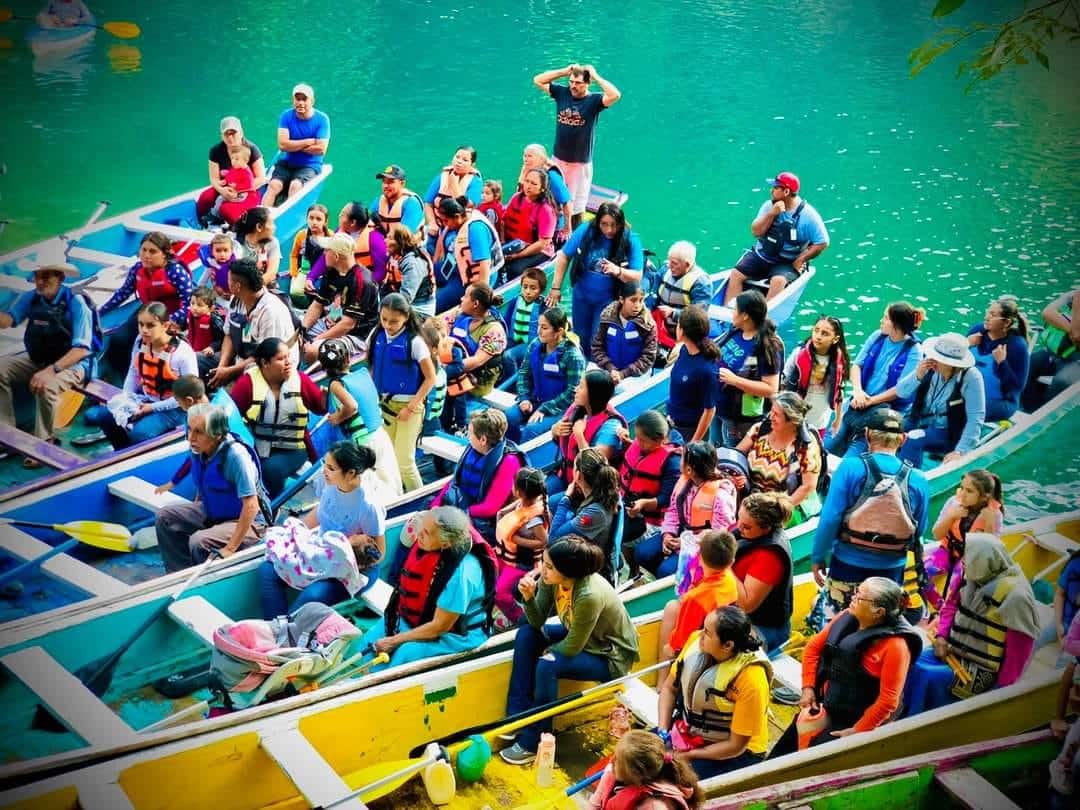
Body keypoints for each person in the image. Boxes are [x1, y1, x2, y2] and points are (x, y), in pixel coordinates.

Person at [501, 537, 639, 764]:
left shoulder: (588, 595)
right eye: (543, 563)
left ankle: (534, 740)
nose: (542, 570)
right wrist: (528, 598)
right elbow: (536, 622)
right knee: (526, 635)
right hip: (582, 637)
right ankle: (518, 715)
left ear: (568, 572)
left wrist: (547, 653)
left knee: (547, 665)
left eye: (549, 567)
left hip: (608, 654)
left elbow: (572, 647)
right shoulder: (551, 579)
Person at [779, 578, 921, 751]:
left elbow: (888, 700)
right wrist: (808, 687)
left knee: (816, 759)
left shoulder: (896, 647)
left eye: (860, 597)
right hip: (826, 702)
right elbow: (812, 648)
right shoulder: (846, 616)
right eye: (856, 592)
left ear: (879, 611)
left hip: (854, 720)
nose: (853, 598)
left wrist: (857, 731)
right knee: (784, 749)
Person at [811, 408, 929, 615]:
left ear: (866, 435)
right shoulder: (918, 479)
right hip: (890, 571)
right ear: (902, 439)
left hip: (848, 564)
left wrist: (819, 556)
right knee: (879, 623)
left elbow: (829, 519)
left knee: (840, 621)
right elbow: (919, 530)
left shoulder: (850, 468)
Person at [908, 534, 1039, 709]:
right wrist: (941, 637)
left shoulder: (1017, 597)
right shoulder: (971, 576)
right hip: (949, 649)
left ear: (983, 562)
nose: (963, 562)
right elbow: (950, 607)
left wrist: (1003, 687)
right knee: (910, 663)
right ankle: (907, 710)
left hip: (981, 667)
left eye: (968, 559)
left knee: (928, 676)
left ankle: (918, 715)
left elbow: (1020, 647)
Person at [259, 441, 385, 619]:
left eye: (331, 468)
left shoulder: (368, 505)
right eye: (324, 464)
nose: (325, 470)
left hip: (354, 568)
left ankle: (287, 632)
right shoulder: (330, 485)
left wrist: (349, 549)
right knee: (268, 570)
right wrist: (295, 532)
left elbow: (379, 553)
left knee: (313, 595)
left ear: (350, 473)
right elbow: (321, 511)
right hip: (321, 554)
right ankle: (275, 625)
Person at [359, 506, 497, 669]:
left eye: (426, 533)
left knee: (405, 654)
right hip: (418, 620)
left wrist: (393, 641)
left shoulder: (461, 575)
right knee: (367, 644)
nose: (418, 534)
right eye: (421, 528)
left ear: (445, 543)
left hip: (456, 635)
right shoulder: (432, 547)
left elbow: (439, 627)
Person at [657, 606, 772, 778]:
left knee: (670, 780)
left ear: (727, 645)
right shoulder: (696, 642)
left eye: (707, 633)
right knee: (636, 754)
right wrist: (663, 731)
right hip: (689, 731)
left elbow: (736, 746)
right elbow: (669, 689)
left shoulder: (752, 681)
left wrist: (690, 755)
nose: (700, 635)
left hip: (738, 751)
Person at [155, 404, 271, 573]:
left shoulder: (236, 457)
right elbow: (203, 482)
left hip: (248, 522)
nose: (191, 437)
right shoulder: (198, 448)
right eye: (189, 429)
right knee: (164, 517)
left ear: (217, 435)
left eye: (199, 432)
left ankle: (205, 579)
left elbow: (251, 506)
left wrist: (230, 548)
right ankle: (178, 573)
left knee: (198, 541)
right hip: (213, 513)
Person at [0, 260, 97, 458]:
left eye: (46, 277)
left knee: (47, 386)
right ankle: (6, 434)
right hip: (39, 360)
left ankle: (44, 443)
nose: (40, 282)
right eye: (37, 276)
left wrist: (51, 371)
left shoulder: (76, 303)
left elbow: (81, 350)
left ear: (60, 278)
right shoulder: (32, 297)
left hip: (74, 364)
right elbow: (9, 321)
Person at [84, 302, 198, 449]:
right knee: (104, 415)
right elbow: (133, 372)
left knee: (140, 434)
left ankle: (135, 451)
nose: (144, 330)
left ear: (165, 325)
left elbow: (188, 397)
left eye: (150, 325)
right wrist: (127, 398)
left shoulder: (182, 354)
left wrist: (151, 408)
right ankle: (122, 450)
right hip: (146, 398)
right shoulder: (140, 342)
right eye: (141, 324)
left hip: (174, 408)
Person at [228, 337, 326, 497]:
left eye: (288, 356)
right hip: (257, 446)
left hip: (293, 450)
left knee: (271, 469)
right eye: (281, 359)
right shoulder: (247, 384)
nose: (288, 362)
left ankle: (272, 505)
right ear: (265, 363)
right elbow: (231, 417)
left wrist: (324, 401)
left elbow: (320, 408)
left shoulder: (300, 380)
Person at [546, 202, 644, 361]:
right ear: (598, 222)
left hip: (607, 300)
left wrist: (617, 270)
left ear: (620, 223)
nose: (609, 230)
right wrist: (556, 288)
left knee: (596, 340)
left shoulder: (630, 239)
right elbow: (564, 256)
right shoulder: (585, 230)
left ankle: (595, 373)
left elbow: (637, 275)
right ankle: (578, 373)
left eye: (614, 225)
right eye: (604, 224)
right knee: (579, 338)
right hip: (581, 296)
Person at [826, 302, 924, 458]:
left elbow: (901, 390)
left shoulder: (914, 351)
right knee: (827, 445)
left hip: (885, 412)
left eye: (885, 318)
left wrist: (871, 401)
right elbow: (857, 365)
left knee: (851, 457)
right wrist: (858, 391)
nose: (881, 321)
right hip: (860, 401)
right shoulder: (877, 336)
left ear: (896, 325)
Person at [531, 63, 621, 226]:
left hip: (579, 164)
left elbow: (615, 95)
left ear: (587, 83)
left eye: (578, 83)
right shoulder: (561, 93)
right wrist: (564, 71)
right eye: (571, 82)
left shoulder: (594, 101)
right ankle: (549, 230)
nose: (573, 85)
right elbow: (538, 80)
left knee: (576, 206)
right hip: (558, 160)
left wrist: (595, 75)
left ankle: (575, 235)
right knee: (552, 199)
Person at [723, 172, 829, 304]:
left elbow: (822, 242)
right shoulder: (769, 205)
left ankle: (764, 320)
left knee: (778, 281)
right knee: (736, 274)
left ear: (786, 191)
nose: (771, 190)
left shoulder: (808, 216)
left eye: (775, 188)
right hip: (762, 255)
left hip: (786, 262)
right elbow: (756, 232)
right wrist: (772, 214)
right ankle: (728, 315)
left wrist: (801, 259)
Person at [638, 441, 738, 579]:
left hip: (704, 543)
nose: (679, 460)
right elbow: (672, 510)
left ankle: (681, 586)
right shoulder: (684, 482)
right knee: (642, 553)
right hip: (681, 532)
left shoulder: (721, 496)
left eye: (682, 458)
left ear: (690, 469)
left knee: (666, 572)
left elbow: (719, 534)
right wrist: (667, 535)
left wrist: (686, 543)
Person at [367, 293, 437, 492]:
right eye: (384, 319)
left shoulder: (415, 342)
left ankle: (419, 499)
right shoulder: (376, 336)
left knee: (405, 461)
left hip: (409, 407)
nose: (388, 325)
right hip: (384, 406)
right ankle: (395, 496)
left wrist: (411, 407)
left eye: (394, 321)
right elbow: (372, 369)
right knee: (386, 460)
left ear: (406, 318)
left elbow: (430, 378)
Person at [317, 339, 403, 498]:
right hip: (379, 433)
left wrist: (337, 417)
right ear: (348, 359)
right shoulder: (362, 375)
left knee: (370, 481)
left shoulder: (336, 385)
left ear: (323, 367)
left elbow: (352, 405)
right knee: (388, 474)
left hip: (364, 442)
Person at [99, 231, 192, 375]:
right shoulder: (137, 269)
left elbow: (189, 304)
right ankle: (121, 375)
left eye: (153, 251)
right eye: (144, 250)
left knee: (148, 346)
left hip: (171, 317)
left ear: (164, 253)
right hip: (147, 311)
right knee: (118, 339)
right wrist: (100, 312)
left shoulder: (175, 272)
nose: (146, 255)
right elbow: (123, 293)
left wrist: (169, 321)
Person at [656, 530, 739, 692]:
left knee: (671, 613)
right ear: (731, 561)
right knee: (674, 607)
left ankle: (663, 684)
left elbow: (680, 641)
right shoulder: (729, 578)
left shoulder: (695, 598)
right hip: (722, 640)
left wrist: (670, 648)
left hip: (701, 652)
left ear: (699, 557)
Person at [431, 408, 526, 540]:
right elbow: (454, 482)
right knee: (427, 511)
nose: (468, 437)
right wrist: (435, 506)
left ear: (482, 439)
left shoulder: (509, 462)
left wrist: (457, 514)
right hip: (461, 504)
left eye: (470, 433)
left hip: (485, 521)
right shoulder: (473, 448)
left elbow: (490, 507)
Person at [895, 332, 985, 468]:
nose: (933, 360)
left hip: (948, 431)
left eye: (939, 359)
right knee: (888, 427)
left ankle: (908, 481)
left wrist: (960, 451)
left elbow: (976, 418)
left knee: (912, 438)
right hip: (919, 420)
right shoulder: (928, 366)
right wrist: (917, 375)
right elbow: (901, 392)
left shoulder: (971, 377)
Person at [736, 392, 823, 525]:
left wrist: (777, 513)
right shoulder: (760, 430)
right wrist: (738, 476)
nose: (771, 417)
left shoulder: (805, 447)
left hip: (785, 509)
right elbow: (737, 455)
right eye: (771, 411)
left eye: (776, 414)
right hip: (752, 504)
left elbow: (808, 486)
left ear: (792, 421)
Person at [210, 258, 298, 389]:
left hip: (269, 366)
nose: (226, 283)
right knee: (199, 361)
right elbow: (228, 334)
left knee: (233, 396)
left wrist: (230, 371)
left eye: (229, 280)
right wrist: (222, 366)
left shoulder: (271, 312)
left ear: (237, 286)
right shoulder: (237, 299)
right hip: (241, 358)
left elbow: (267, 357)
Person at [713, 290, 784, 449]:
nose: (732, 313)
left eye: (735, 309)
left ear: (745, 315)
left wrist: (735, 380)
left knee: (731, 456)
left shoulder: (767, 346)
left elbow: (771, 388)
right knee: (714, 449)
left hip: (739, 419)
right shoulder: (737, 331)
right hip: (718, 406)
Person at [924, 469, 1004, 609]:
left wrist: (989, 522)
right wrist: (951, 516)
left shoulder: (994, 514)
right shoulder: (953, 503)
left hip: (970, 560)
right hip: (948, 551)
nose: (962, 494)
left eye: (969, 491)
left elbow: (989, 551)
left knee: (958, 587)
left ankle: (951, 611)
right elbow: (937, 535)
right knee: (922, 574)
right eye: (962, 488)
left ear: (985, 496)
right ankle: (940, 608)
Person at [506, 308, 585, 442]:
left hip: (560, 407)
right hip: (535, 399)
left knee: (532, 429)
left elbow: (573, 392)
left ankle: (526, 460)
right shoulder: (535, 345)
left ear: (559, 332)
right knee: (509, 417)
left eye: (544, 328)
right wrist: (524, 398)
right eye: (539, 326)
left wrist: (545, 409)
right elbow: (524, 373)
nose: (539, 331)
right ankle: (510, 453)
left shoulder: (572, 356)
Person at [300, 232, 379, 363]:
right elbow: (317, 305)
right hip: (332, 324)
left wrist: (317, 339)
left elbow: (347, 325)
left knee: (313, 350)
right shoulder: (332, 272)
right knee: (293, 330)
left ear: (336, 256)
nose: (324, 253)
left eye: (327, 250)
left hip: (356, 336)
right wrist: (301, 331)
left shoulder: (362, 282)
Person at [731, 492, 794, 653]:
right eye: (739, 519)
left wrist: (724, 565)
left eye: (746, 526)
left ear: (766, 528)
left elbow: (746, 605)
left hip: (764, 627)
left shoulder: (769, 557)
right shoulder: (747, 532)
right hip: (737, 616)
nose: (739, 527)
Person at [548, 369, 626, 497]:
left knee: (548, 503)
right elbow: (563, 443)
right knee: (534, 494)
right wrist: (554, 430)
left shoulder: (611, 426)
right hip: (565, 474)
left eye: (581, 387)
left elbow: (595, 466)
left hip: (589, 489)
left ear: (594, 394)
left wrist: (579, 435)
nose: (576, 389)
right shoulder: (577, 409)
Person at [441, 283, 508, 428]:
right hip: (452, 368)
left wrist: (443, 369)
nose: (461, 299)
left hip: (476, 380)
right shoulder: (459, 314)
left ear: (475, 304)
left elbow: (477, 361)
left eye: (465, 296)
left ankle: (459, 425)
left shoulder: (495, 331)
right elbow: (444, 326)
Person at [549, 448, 622, 579]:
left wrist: (566, 498)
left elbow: (553, 539)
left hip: (594, 569)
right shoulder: (609, 490)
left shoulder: (596, 512)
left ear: (578, 475)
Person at [617, 410, 683, 551]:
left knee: (624, 536)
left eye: (642, 441)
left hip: (652, 519)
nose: (638, 443)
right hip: (627, 505)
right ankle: (633, 570)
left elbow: (667, 499)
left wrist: (643, 504)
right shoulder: (642, 444)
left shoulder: (672, 462)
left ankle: (634, 569)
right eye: (637, 438)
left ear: (659, 440)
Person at [588, 730, 703, 810]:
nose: (611, 760)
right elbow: (595, 804)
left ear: (635, 774)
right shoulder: (611, 771)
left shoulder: (655, 806)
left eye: (618, 760)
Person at [493, 467, 550, 626]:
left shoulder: (534, 520)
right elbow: (519, 507)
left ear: (518, 492)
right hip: (508, 556)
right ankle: (514, 605)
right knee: (493, 576)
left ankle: (519, 618)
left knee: (500, 594)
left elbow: (544, 541)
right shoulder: (525, 504)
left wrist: (516, 539)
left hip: (523, 563)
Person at [263, 83, 330, 206]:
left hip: (309, 165)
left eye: (304, 99)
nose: (300, 103)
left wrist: (292, 145)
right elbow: (282, 145)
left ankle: (287, 215)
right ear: (293, 100)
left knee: (295, 185)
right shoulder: (286, 116)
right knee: (273, 185)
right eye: (297, 99)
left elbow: (321, 149)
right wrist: (307, 142)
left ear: (312, 101)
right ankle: (261, 218)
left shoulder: (322, 119)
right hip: (288, 163)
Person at [434, 196, 505, 312]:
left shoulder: (476, 230)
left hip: (472, 279)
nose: (444, 225)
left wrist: (478, 295)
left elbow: (484, 265)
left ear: (457, 217)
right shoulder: (464, 215)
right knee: (427, 271)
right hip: (456, 267)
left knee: (437, 304)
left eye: (446, 221)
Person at [781, 314, 849, 435]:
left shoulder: (840, 361)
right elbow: (783, 382)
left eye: (825, 333)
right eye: (816, 331)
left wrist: (838, 419)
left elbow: (839, 391)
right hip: (794, 416)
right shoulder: (798, 354)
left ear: (836, 339)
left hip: (819, 422)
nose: (818, 336)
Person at [966, 296, 1030, 422]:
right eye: (987, 312)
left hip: (1001, 402)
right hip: (971, 393)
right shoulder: (977, 330)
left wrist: (1002, 363)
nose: (986, 317)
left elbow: (1016, 388)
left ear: (1006, 322)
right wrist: (965, 344)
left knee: (967, 410)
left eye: (993, 315)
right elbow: (954, 362)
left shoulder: (1017, 346)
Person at [196, 116, 267, 225]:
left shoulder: (252, 149)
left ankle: (238, 229)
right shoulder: (215, 151)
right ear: (222, 136)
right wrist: (221, 189)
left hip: (248, 190)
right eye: (226, 134)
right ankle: (201, 223)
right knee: (205, 198)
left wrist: (238, 191)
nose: (230, 137)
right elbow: (214, 178)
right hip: (225, 187)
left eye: (233, 133)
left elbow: (261, 178)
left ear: (241, 132)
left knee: (228, 210)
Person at [666, 305, 720, 444]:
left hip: (690, 429)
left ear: (682, 331)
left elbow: (709, 410)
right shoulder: (684, 350)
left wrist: (694, 442)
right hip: (672, 421)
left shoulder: (706, 369)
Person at [306, 202, 387, 288]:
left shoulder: (375, 238)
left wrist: (358, 286)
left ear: (352, 222)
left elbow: (380, 272)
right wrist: (311, 278)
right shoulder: (339, 232)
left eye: (343, 214)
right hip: (341, 280)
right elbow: (326, 257)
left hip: (363, 286)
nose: (339, 216)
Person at [1023, 288, 1080, 410]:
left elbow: (1077, 336)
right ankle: (1030, 410)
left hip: (1075, 361)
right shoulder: (1073, 295)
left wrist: (1077, 305)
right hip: (1052, 354)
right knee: (1025, 366)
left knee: (1062, 381)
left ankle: (1046, 412)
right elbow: (1047, 313)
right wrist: (1070, 329)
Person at [593, 280, 657, 387]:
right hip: (609, 371)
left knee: (623, 389)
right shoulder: (607, 319)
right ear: (622, 299)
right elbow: (597, 347)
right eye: (633, 300)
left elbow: (648, 357)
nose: (637, 305)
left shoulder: (648, 324)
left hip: (636, 376)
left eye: (641, 300)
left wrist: (623, 374)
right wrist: (611, 368)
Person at [653, 241, 713, 353]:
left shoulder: (701, 283)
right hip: (660, 323)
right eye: (669, 261)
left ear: (687, 265)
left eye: (674, 263)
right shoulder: (665, 270)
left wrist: (673, 313)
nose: (669, 266)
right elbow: (653, 295)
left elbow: (699, 315)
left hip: (683, 330)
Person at [500, 168, 558, 281]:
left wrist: (517, 256)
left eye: (533, 183)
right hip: (513, 244)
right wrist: (502, 243)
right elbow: (503, 222)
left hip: (537, 250)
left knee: (515, 269)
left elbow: (542, 243)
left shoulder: (546, 210)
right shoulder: (517, 198)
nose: (528, 186)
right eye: (527, 181)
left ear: (542, 189)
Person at [423, 146, 483, 245]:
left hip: (458, 229)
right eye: (457, 157)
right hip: (437, 226)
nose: (459, 161)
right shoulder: (442, 177)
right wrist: (432, 223)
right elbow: (428, 202)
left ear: (472, 165)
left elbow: (466, 205)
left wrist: (454, 184)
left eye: (465, 160)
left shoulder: (475, 181)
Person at [519, 143, 574, 242]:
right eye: (525, 156)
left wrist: (567, 228)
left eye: (530, 156)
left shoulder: (551, 176)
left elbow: (567, 202)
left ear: (541, 158)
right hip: (532, 216)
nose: (525, 159)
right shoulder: (528, 170)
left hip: (550, 221)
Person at [381, 223, 436, 316]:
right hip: (401, 301)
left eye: (390, 238)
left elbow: (405, 298)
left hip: (418, 310)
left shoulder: (412, 264)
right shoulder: (397, 255)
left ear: (400, 242)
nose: (385, 240)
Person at [503, 265, 548, 370]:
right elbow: (506, 321)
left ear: (541, 290)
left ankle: (513, 384)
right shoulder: (515, 302)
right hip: (512, 339)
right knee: (495, 351)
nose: (528, 291)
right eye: (525, 287)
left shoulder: (543, 306)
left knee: (508, 356)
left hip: (531, 344)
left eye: (533, 288)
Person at [287, 203, 330, 307]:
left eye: (318, 219)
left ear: (325, 222)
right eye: (311, 218)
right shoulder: (301, 235)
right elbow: (293, 255)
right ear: (306, 219)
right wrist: (293, 272)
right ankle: (307, 306)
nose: (314, 222)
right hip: (305, 271)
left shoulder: (330, 236)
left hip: (324, 273)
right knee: (295, 292)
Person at [206, 144, 260, 225]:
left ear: (245, 160)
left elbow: (249, 185)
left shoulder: (247, 173)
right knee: (220, 199)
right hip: (234, 191)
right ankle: (216, 215)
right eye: (232, 158)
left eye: (237, 159)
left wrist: (237, 187)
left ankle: (216, 216)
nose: (233, 161)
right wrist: (224, 179)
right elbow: (231, 176)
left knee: (222, 200)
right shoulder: (235, 168)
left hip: (244, 194)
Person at [233, 207, 282, 291]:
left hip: (263, 289)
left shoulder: (273, 242)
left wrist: (251, 290)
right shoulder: (236, 244)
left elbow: (271, 273)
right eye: (271, 224)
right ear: (259, 227)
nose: (274, 227)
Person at [371, 164, 425, 238]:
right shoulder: (378, 201)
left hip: (407, 247)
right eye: (384, 181)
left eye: (391, 182)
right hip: (385, 245)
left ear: (402, 183)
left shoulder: (411, 203)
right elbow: (367, 226)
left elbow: (405, 237)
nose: (386, 185)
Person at [186, 286, 226, 381]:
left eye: (199, 305)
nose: (194, 307)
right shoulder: (190, 315)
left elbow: (221, 339)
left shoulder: (214, 320)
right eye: (192, 303)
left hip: (208, 353)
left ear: (211, 308)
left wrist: (212, 347)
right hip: (193, 347)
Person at [202, 232, 239, 304]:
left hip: (235, 296)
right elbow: (203, 282)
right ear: (212, 252)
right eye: (218, 250)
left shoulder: (236, 264)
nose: (222, 254)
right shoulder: (212, 265)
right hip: (218, 295)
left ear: (231, 251)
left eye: (225, 250)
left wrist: (234, 293)